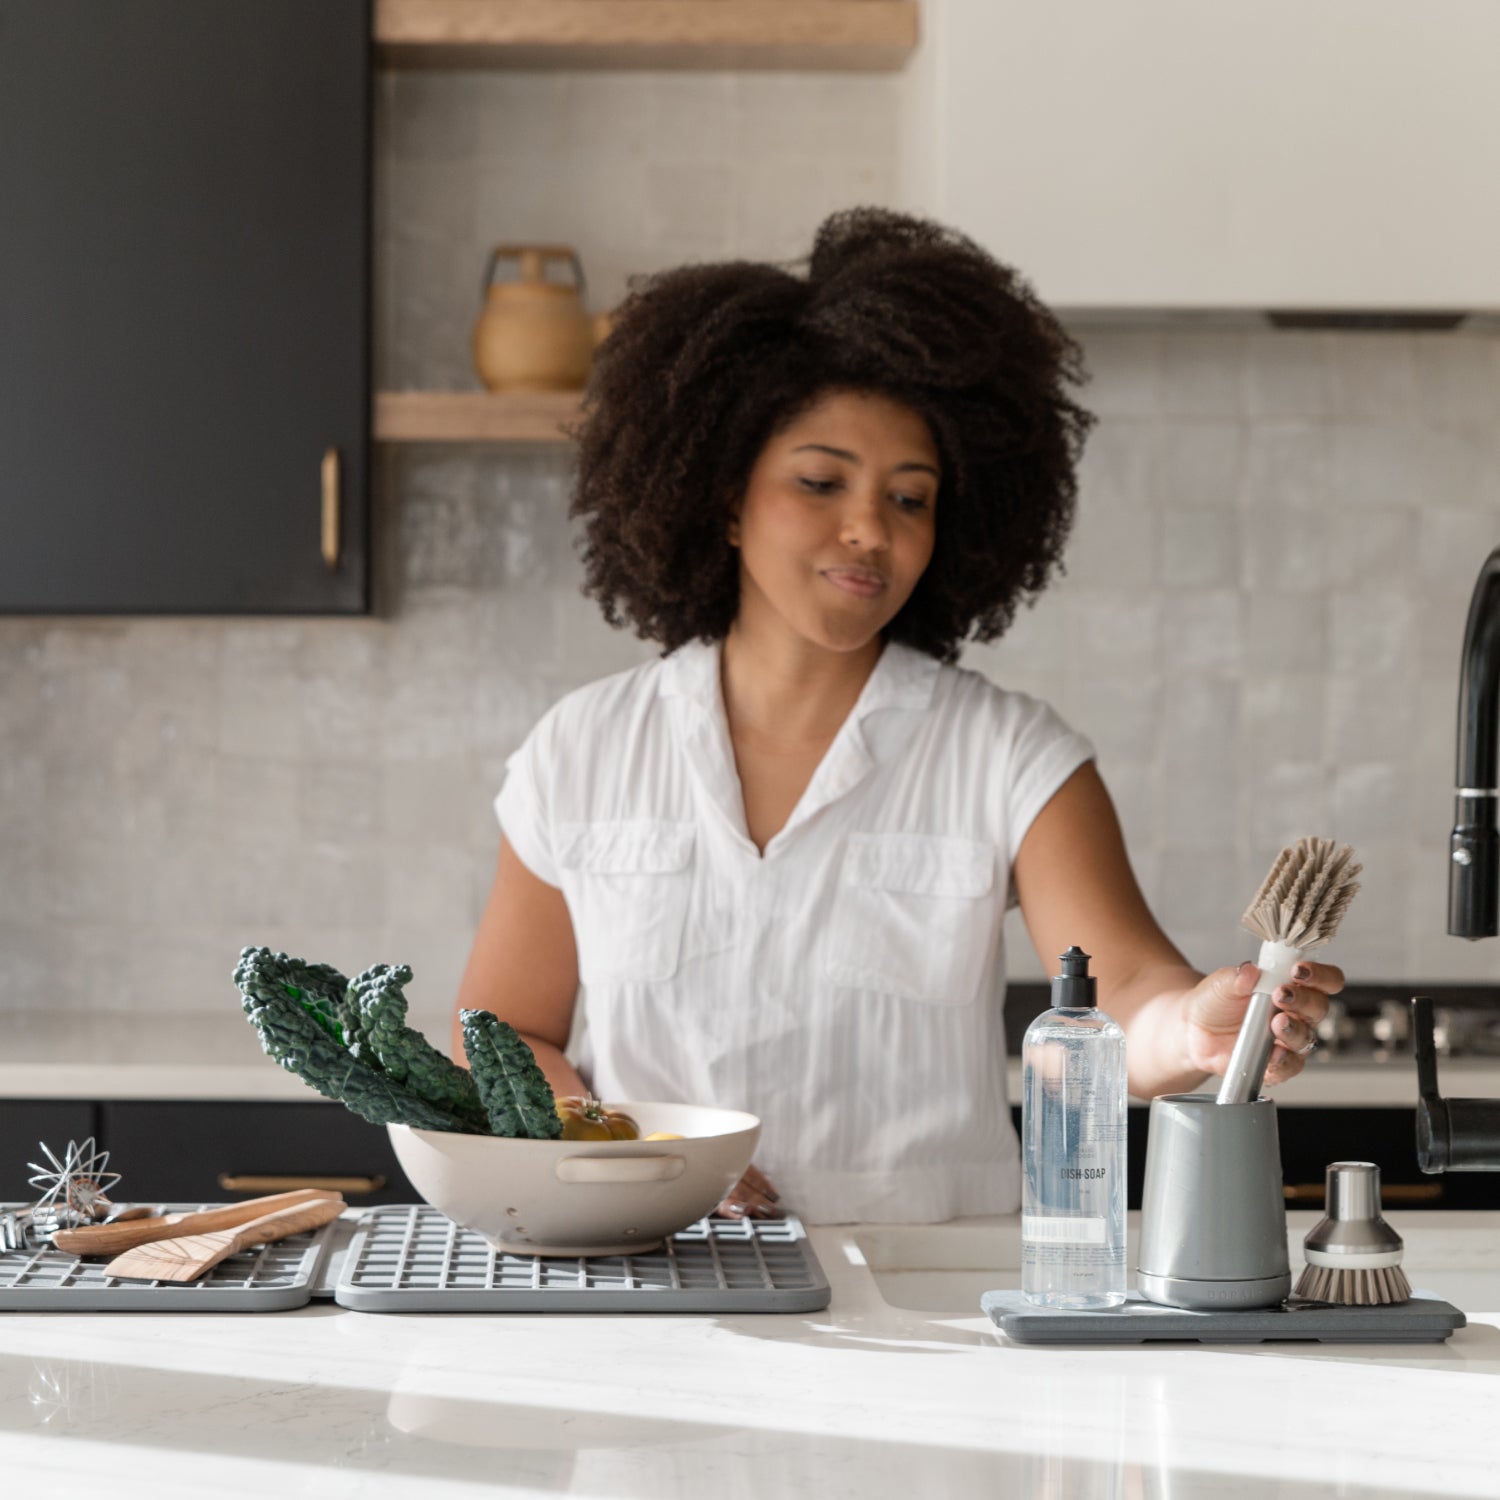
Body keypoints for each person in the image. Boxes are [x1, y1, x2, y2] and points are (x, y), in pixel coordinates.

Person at [450, 207, 1341, 1226]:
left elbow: (1126, 993)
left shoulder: (1011, 757)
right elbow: (503, 1034)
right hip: (650, 1280)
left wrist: (1197, 1029)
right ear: (724, 498)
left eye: (911, 499)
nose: (870, 529)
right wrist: (625, 1155)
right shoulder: (583, 750)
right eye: (821, 481)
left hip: (939, 1311)